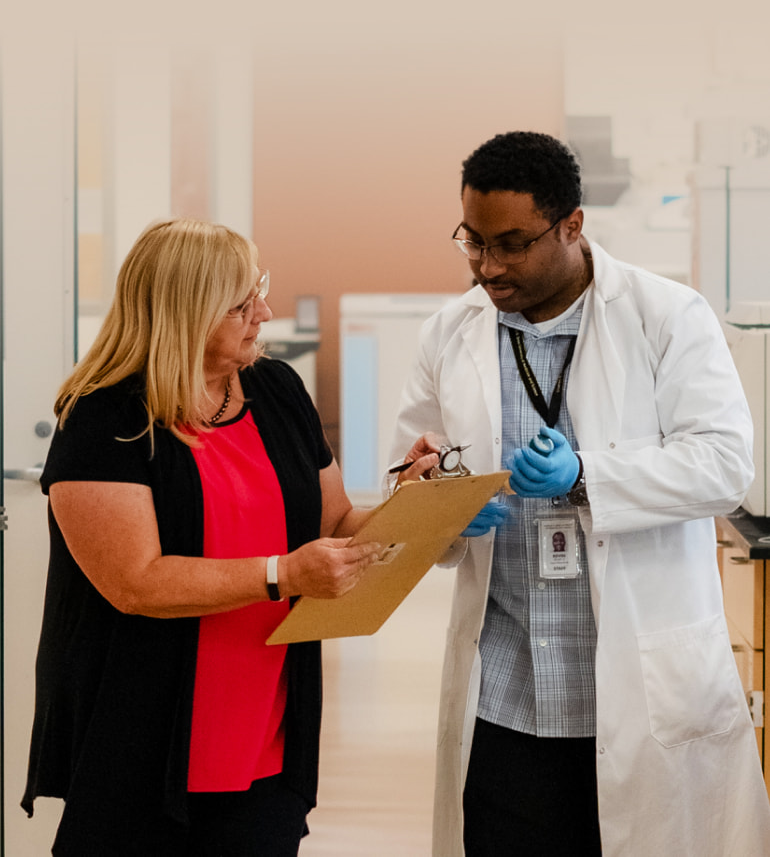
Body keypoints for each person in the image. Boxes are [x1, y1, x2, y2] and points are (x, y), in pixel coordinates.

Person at [388, 131, 770, 857]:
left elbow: (725, 465)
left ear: (571, 225)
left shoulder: (666, 316)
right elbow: (411, 476)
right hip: (502, 693)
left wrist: (588, 474)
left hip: (633, 684)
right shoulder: (451, 332)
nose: (488, 266)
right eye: (472, 241)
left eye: (512, 244)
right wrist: (435, 497)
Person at [22, 218, 435, 857]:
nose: (264, 313)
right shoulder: (104, 417)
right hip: (142, 738)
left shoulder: (277, 391)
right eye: (242, 303)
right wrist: (283, 575)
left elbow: (335, 529)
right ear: (186, 310)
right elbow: (136, 583)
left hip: (265, 731)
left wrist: (414, 500)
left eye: (260, 291)